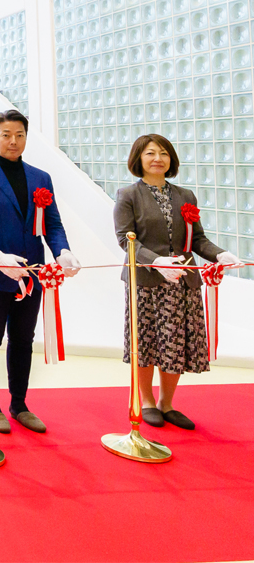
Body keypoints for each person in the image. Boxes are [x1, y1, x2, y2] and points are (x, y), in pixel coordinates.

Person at [0, 109, 81, 434]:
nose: (13, 141)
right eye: (6, 135)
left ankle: (19, 403)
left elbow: (52, 223)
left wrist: (63, 251)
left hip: (32, 274)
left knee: (24, 340)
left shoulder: (40, 178)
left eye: (19, 135)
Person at [113, 134, 240, 430]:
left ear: (171, 159)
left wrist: (220, 254)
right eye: (150, 153)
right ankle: (147, 401)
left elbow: (197, 239)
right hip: (146, 281)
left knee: (175, 342)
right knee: (147, 341)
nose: (158, 158)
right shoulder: (128, 195)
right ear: (138, 159)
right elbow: (124, 239)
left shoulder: (185, 196)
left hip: (182, 281)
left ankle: (166, 404)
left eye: (164, 153)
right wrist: (156, 261)